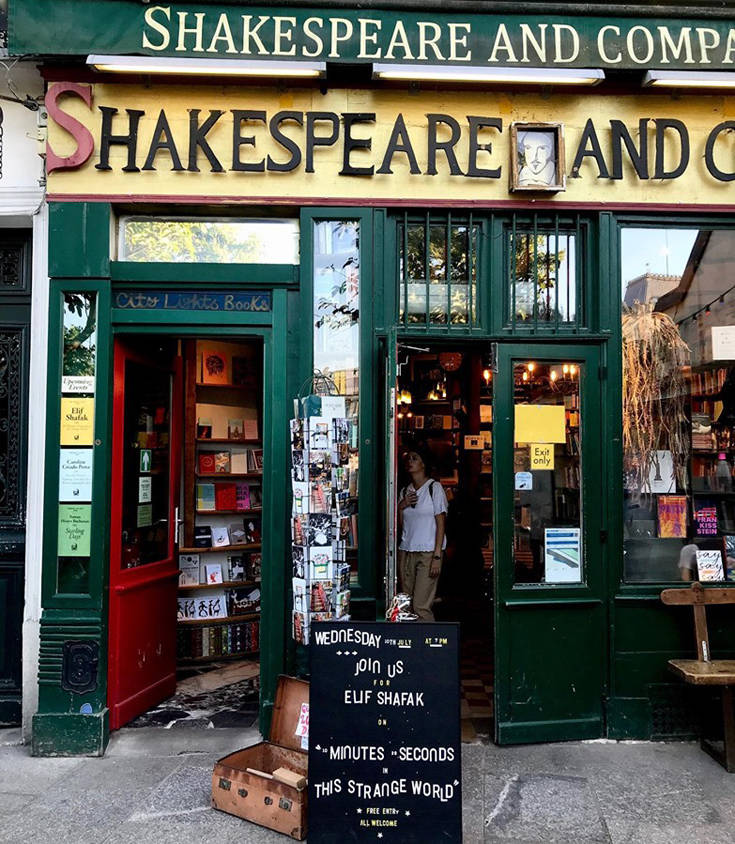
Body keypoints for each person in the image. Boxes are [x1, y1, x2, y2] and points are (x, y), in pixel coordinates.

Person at [397, 447, 447, 621]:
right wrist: (402, 506)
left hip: (428, 552)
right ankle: (411, 637)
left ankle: (428, 637)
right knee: (407, 604)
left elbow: (441, 523)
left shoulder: (434, 488)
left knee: (420, 605)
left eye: (415, 458)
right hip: (406, 551)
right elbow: (402, 526)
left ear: (423, 464)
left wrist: (437, 556)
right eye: (408, 459)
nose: (410, 461)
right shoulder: (405, 491)